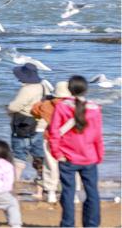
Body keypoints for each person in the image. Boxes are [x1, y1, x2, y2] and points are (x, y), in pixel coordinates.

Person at [48, 75, 104, 228]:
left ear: (69, 89)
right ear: (86, 89)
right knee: (92, 193)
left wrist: (56, 153)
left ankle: (68, 224)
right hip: (89, 157)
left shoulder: (62, 106)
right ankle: (92, 225)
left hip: (67, 157)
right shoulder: (95, 108)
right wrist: (99, 155)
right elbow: (98, 136)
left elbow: (54, 132)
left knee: (68, 193)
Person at [31, 81, 81, 204]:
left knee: (51, 166)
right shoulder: (75, 104)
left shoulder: (47, 104)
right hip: (71, 139)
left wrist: (44, 100)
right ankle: (74, 195)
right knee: (72, 166)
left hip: (51, 137)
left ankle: (51, 194)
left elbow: (34, 111)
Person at [7, 63, 47, 194]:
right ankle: (41, 189)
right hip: (40, 126)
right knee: (39, 158)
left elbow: (14, 107)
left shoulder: (27, 89)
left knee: (19, 157)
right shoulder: (43, 86)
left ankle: (15, 186)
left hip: (23, 126)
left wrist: (8, 108)